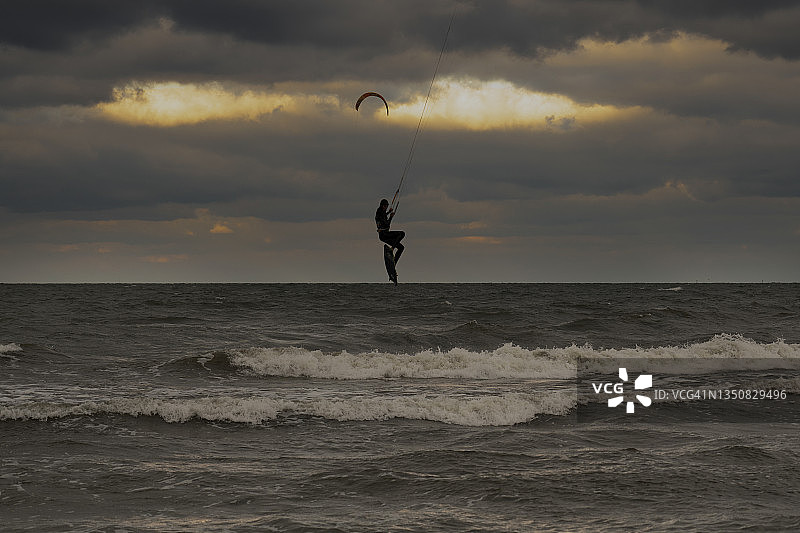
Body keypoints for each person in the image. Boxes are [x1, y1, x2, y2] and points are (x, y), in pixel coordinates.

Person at [375, 198, 405, 276]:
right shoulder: (380, 213)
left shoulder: (380, 212)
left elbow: (383, 215)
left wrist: (388, 212)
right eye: (386, 206)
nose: (386, 208)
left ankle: (393, 265)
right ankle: (392, 249)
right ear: (383, 206)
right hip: (384, 235)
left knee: (401, 248)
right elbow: (386, 224)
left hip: (384, 235)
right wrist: (391, 216)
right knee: (402, 234)